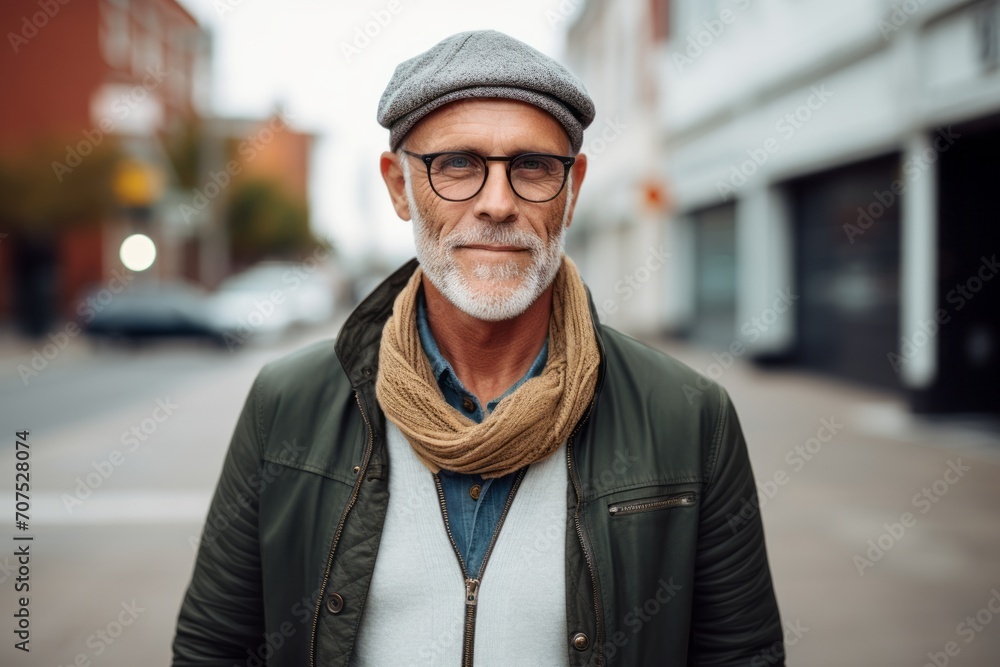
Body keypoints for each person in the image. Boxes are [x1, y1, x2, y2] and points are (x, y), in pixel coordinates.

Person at [172, 30, 783, 667]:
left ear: (572, 190)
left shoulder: (688, 416)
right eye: (458, 164)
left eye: (532, 167)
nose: (497, 203)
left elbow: (742, 656)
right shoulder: (287, 404)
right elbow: (215, 649)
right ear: (400, 185)